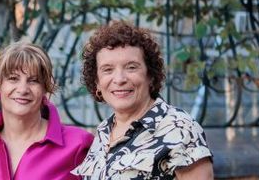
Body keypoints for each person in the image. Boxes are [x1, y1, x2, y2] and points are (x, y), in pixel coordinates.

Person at [73, 21, 214, 180]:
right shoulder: (103, 131)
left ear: (151, 76)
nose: (119, 79)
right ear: (97, 83)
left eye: (131, 67)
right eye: (108, 69)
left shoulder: (179, 128)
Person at [0, 41, 94, 180]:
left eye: (33, 80)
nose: (23, 89)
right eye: (13, 79)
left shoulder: (79, 144)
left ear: (45, 88)